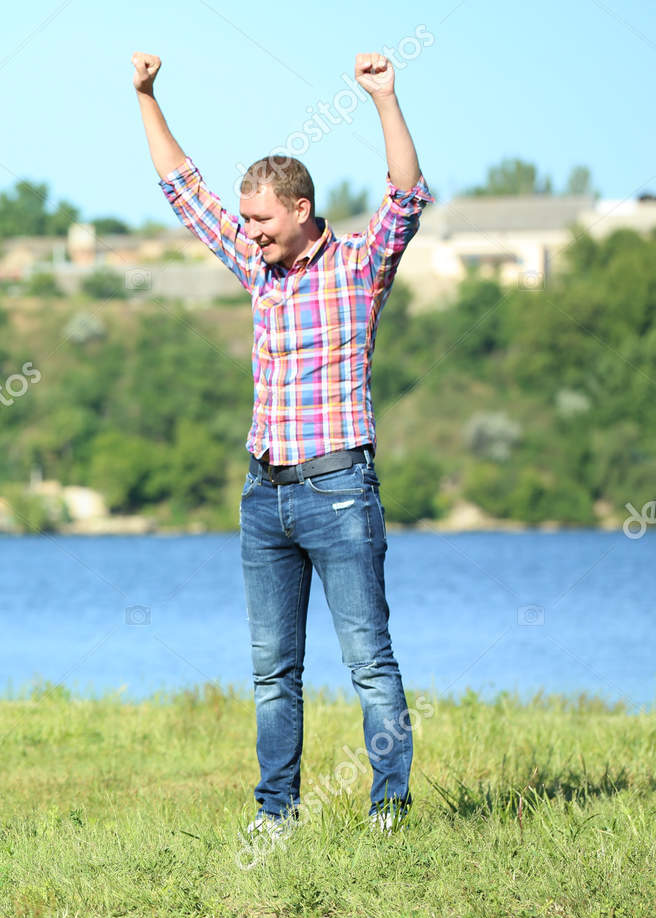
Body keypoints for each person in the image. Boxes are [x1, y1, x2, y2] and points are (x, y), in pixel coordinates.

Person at [131, 51, 432, 834]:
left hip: (339, 490)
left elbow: (406, 194)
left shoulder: (361, 266)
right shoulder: (256, 268)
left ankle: (389, 805)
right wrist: (148, 95)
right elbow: (182, 190)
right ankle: (277, 812)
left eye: (262, 218)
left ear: (301, 209)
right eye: (246, 219)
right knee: (273, 673)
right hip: (264, 496)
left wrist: (384, 100)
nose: (250, 230)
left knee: (368, 660)